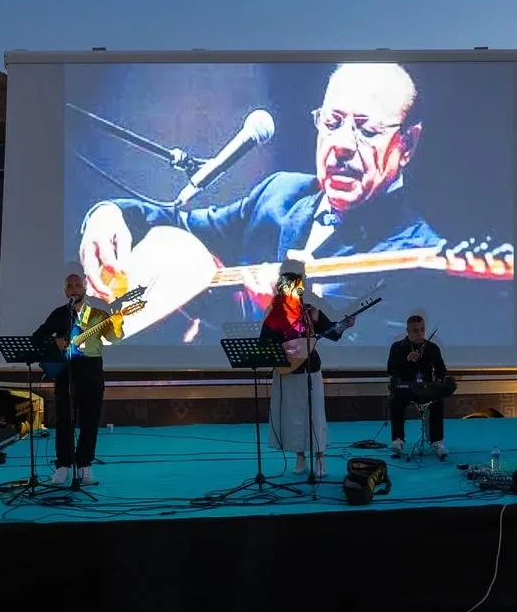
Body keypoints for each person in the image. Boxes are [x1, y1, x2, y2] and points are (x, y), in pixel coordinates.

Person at [77, 63, 442, 339]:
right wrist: (106, 217)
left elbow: (367, 360)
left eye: (367, 130)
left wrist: (289, 316)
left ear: (408, 144)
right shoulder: (280, 194)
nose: (343, 144)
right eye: (332, 122)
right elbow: (176, 223)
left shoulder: (420, 254)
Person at [31, 273, 124, 486]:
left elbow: (115, 338)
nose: (74, 289)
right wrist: (55, 341)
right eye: (70, 286)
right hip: (66, 370)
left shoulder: (99, 315)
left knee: (90, 419)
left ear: (85, 288)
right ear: (65, 291)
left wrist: (118, 322)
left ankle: (85, 466)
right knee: (64, 418)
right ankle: (63, 466)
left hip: (91, 369)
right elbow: (37, 337)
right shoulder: (59, 314)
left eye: (78, 285)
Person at [259, 270, 354, 477]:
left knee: (315, 414)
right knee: (294, 416)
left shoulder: (311, 312)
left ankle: (319, 457)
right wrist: (284, 349)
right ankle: (300, 456)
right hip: (287, 371)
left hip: (310, 370)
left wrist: (344, 326)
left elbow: (332, 332)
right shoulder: (275, 315)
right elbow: (265, 342)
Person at [386, 314, 449, 460]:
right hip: (406, 388)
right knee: (396, 401)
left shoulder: (432, 348)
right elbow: (390, 370)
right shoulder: (397, 347)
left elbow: (441, 370)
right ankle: (398, 440)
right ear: (407, 331)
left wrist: (440, 381)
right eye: (415, 330)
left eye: (422, 329)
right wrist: (406, 360)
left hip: (426, 388)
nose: (420, 333)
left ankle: (437, 441)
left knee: (438, 402)